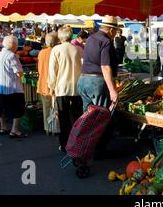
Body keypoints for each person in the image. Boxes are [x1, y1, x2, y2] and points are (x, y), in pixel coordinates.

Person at [77, 16, 119, 159]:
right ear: (111, 30)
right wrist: (113, 91)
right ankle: (96, 150)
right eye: (116, 30)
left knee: (87, 117)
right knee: (99, 118)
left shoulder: (91, 38)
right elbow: (105, 67)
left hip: (83, 80)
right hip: (96, 82)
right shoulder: (106, 41)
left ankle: (83, 146)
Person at [48, 25, 83, 153]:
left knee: (63, 117)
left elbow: (53, 71)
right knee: (77, 117)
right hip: (77, 88)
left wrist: (51, 86)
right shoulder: (79, 50)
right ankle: (77, 142)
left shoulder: (56, 50)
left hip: (62, 88)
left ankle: (64, 144)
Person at [0, 36, 27, 138]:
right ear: (14, 45)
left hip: (1, 87)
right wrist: (23, 72)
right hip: (13, 88)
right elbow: (19, 73)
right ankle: (15, 130)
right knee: (17, 109)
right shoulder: (12, 56)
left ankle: (3, 128)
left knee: (2, 109)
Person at [37, 32, 59, 135]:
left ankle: (47, 128)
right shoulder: (57, 51)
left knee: (46, 107)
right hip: (54, 83)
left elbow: (39, 68)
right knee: (55, 107)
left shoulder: (41, 52)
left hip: (43, 82)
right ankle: (54, 128)